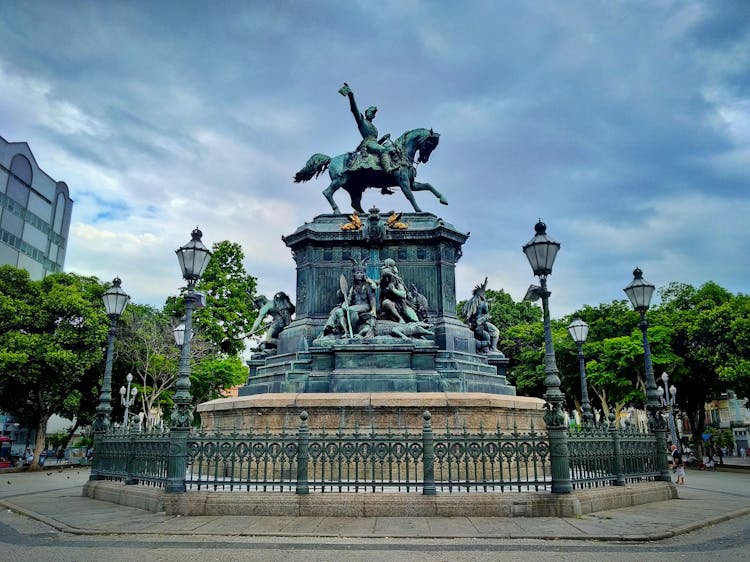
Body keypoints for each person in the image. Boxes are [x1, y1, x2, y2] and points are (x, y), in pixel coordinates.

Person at [339, 82, 399, 182]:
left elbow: (376, 144)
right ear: (366, 113)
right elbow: (354, 110)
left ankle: (385, 183)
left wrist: (383, 138)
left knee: (391, 150)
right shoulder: (362, 121)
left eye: (373, 114)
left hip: (373, 144)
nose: (372, 114)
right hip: (367, 143)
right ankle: (388, 169)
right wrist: (351, 96)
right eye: (370, 112)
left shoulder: (375, 128)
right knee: (384, 150)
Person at [323, 262, 377, 338]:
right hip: (355, 307)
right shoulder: (353, 288)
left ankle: (354, 331)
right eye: (357, 273)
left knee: (351, 310)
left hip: (365, 306)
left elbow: (372, 299)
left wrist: (374, 310)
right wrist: (345, 304)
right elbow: (349, 299)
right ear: (354, 274)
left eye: (361, 273)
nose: (359, 274)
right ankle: (342, 330)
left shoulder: (367, 286)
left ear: (364, 274)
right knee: (338, 311)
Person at [462, 277, 500, 353]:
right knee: (496, 331)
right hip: (481, 323)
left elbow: (465, 314)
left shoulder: (469, 303)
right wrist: (488, 317)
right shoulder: (483, 303)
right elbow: (486, 314)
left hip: (472, 324)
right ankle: (493, 348)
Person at [379, 258, 419, 323]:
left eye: (388, 277)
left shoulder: (397, 282)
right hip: (388, 305)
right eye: (385, 277)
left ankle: (418, 323)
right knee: (387, 302)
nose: (386, 278)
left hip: (400, 304)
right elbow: (377, 282)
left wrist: (393, 290)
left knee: (410, 314)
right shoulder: (383, 283)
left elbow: (403, 295)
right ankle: (400, 319)